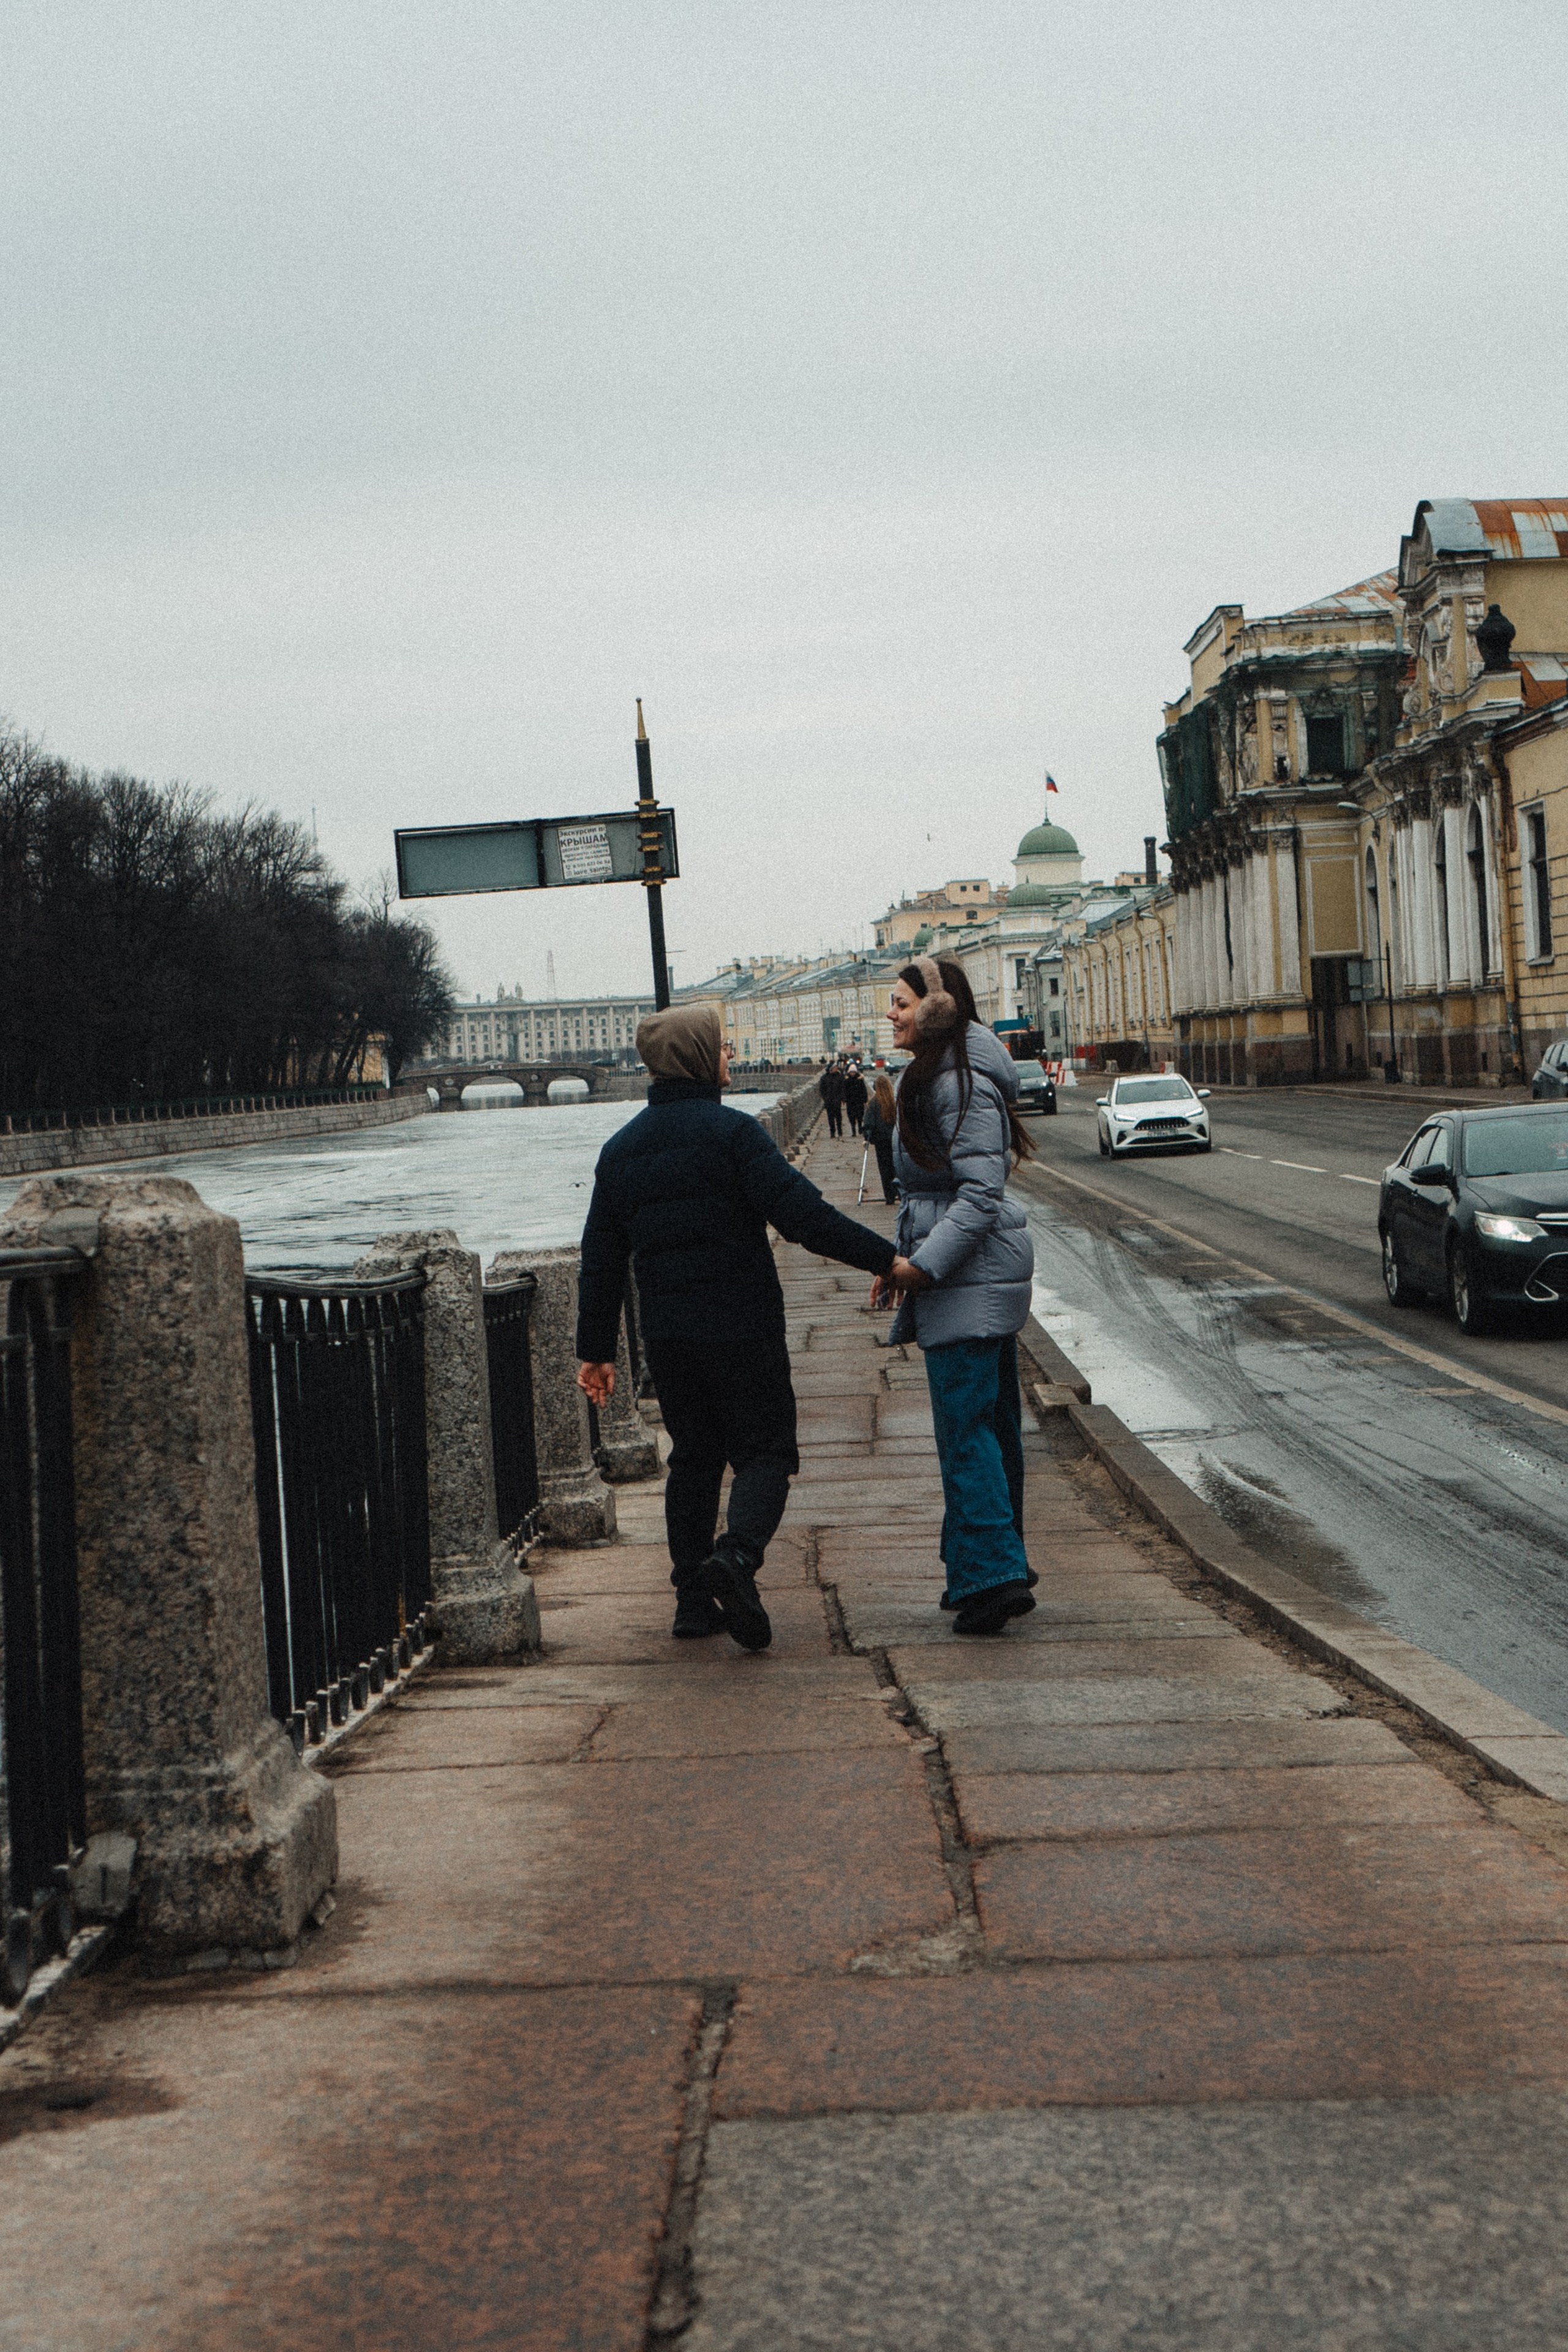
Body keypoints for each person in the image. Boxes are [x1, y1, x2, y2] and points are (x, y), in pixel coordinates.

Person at [576, 1005, 920, 1649]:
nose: (729, 1058)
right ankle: (735, 1558)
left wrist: (595, 1352)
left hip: (669, 1338)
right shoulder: (733, 1136)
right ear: (698, 1058)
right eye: (722, 1049)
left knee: (695, 1459)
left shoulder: (619, 1150)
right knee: (765, 1452)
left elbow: (600, 1260)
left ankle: (690, 1603)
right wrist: (886, 1260)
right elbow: (803, 1218)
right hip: (742, 1326)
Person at [870, 956, 1039, 1637]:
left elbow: (977, 1197)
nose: (891, 1013)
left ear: (937, 1010)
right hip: (969, 1273)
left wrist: (922, 1268)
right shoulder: (944, 1077)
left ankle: (991, 1577)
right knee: (990, 1431)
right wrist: (906, 1260)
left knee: (967, 1434)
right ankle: (988, 1568)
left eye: (902, 1002)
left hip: (967, 1275)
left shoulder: (955, 1085)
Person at [860, 1072, 899, 1205]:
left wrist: (867, 1138)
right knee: (896, 1167)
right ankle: (899, 1191)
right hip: (895, 1140)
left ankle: (889, 1196)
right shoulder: (895, 1101)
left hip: (881, 1142)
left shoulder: (874, 1103)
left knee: (884, 1168)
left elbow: (869, 1123)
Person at [820, 1060, 846, 1139]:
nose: (837, 1068)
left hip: (837, 1100)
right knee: (830, 1117)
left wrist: (843, 1099)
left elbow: (843, 1088)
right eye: (835, 1067)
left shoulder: (839, 1076)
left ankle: (840, 1132)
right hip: (829, 1101)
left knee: (839, 1117)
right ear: (831, 1069)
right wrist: (825, 1098)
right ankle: (832, 1132)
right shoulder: (824, 1078)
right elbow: (822, 1090)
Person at [842, 1062, 869, 1130]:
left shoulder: (860, 1080)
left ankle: (860, 1126)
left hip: (859, 1101)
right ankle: (853, 1128)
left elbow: (864, 1090)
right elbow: (844, 1090)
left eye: (854, 1072)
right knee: (851, 1116)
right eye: (851, 1072)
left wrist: (865, 1099)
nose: (852, 1074)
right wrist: (844, 1099)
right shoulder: (847, 1080)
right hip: (850, 1101)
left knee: (860, 1115)